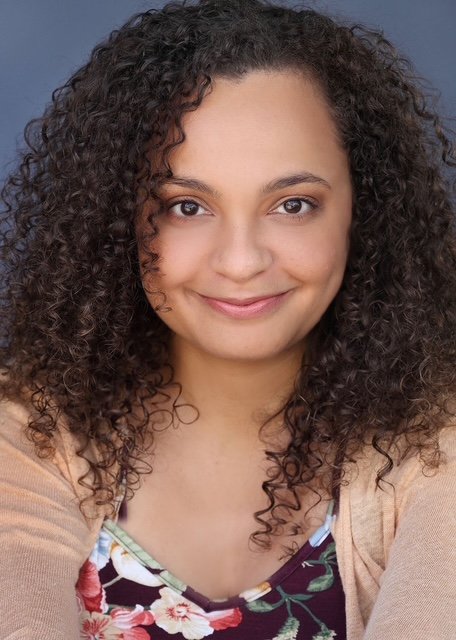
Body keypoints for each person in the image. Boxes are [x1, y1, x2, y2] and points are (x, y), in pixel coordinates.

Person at [0, 0, 455, 638]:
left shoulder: (436, 445)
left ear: (365, 210)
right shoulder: (26, 437)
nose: (241, 262)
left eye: (293, 204)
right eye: (186, 206)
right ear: (117, 217)